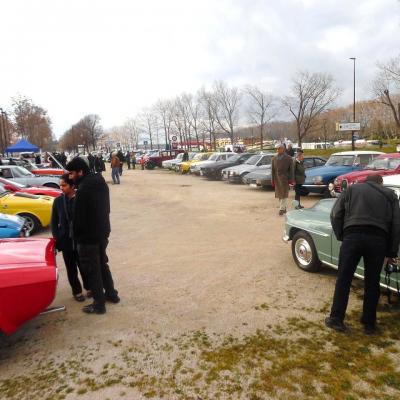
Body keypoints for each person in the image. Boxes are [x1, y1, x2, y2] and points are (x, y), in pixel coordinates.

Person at [326, 174, 400, 334]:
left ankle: (336, 319)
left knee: (344, 279)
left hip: (352, 235)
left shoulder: (351, 189)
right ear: (381, 183)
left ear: (366, 181)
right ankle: (369, 324)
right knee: (372, 282)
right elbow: (396, 225)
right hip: (378, 240)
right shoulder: (390, 196)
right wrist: (392, 251)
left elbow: (335, 214)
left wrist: (342, 235)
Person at [66, 157, 120, 314]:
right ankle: (111, 294)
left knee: (93, 270)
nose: (70, 177)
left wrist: (76, 236)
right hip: (102, 232)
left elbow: (79, 218)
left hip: (88, 237)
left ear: (81, 172)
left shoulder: (83, 190)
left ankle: (99, 304)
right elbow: (106, 208)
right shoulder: (99, 182)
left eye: (71, 173)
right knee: (102, 265)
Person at [51, 173, 90, 302]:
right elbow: (54, 222)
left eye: (64, 185)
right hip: (65, 241)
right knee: (71, 268)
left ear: (73, 186)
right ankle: (77, 291)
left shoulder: (81, 199)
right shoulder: (57, 201)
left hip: (80, 240)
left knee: (84, 266)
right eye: (60, 185)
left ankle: (89, 288)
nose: (61, 188)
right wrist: (57, 239)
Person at [271, 143, 294, 215]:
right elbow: (272, 170)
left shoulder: (289, 158)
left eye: (279, 148)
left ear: (283, 149)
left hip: (285, 179)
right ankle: (283, 208)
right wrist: (272, 180)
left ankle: (281, 209)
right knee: (279, 195)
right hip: (277, 179)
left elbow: (291, 170)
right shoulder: (274, 158)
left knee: (284, 194)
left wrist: (291, 179)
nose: (277, 150)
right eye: (277, 149)